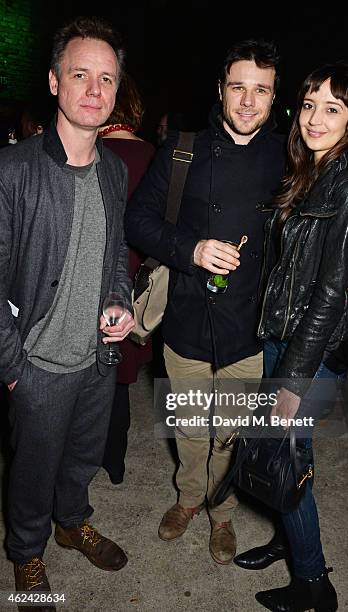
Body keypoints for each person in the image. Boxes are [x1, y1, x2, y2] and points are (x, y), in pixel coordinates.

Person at [124, 40, 348, 566]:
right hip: (188, 317)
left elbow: (325, 220)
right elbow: (138, 222)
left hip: (250, 327)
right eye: (238, 87)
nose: (248, 101)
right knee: (189, 427)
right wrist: (190, 248)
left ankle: (222, 509)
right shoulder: (182, 149)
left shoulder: (290, 155)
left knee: (231, 433)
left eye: (261, 90)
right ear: (221, 90)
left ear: (275, 97)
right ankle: (188, 498)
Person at [0, 16, 135, 608]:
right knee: (31, 472)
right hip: (36, 365)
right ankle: (27, 554)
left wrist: (119, 304)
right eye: (80, 74)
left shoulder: (113, 169)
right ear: (55, 82)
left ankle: (71, 522)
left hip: (96, 361)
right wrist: (12, 366)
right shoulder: (14, 170)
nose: (94, 88)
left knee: (80, 458)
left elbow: (114, 261)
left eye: (106, 78)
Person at [234, 64, 348, 612]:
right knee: (284, 459)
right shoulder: (305, 174)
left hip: (309, 351)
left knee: (289, 459)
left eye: (333, 108)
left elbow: (327, 297)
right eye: (310, 104)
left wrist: (294, 380)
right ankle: (288, 539)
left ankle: (314, 584)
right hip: (284, 337)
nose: (316, 118)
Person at [99, 71, 155, 484]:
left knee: (84, 377)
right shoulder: (156, 156)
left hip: (95, 275)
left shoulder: (87, 152)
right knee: (118, 379)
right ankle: (115, 463)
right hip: (140, 281)